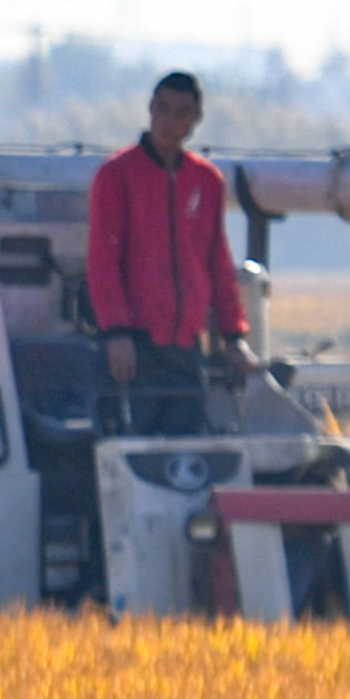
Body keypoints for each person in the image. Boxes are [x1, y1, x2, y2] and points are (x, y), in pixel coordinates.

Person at [85, 70, 250, 433]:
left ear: (195, 119)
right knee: (130, 455)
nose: (169, 121)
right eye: (163, 109)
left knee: (186, 456)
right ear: (150, 109)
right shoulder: (117, 174)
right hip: (134, 346)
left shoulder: (206, 181)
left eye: (181, 112)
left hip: (184, 348)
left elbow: (217, 262)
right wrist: (115, 334)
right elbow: (102, 260)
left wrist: (233, 336)